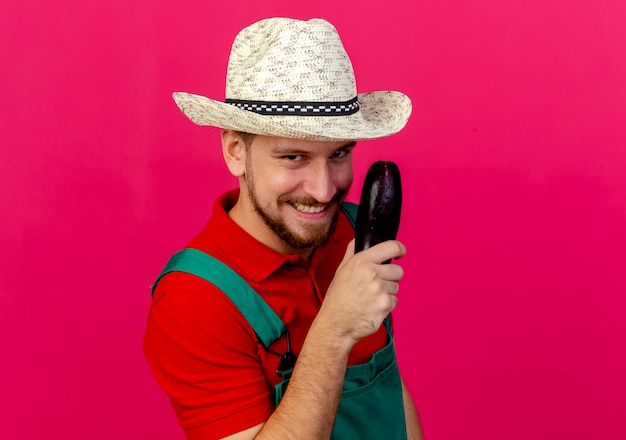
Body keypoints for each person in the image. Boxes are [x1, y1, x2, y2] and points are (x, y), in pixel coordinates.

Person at [143, 17, 424, 440]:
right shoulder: (192, 301)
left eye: (338, 153)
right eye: (293, 157)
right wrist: (335, 329)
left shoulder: (351, 230)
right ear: (236, 151)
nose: (324, 189)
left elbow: (390, 386)